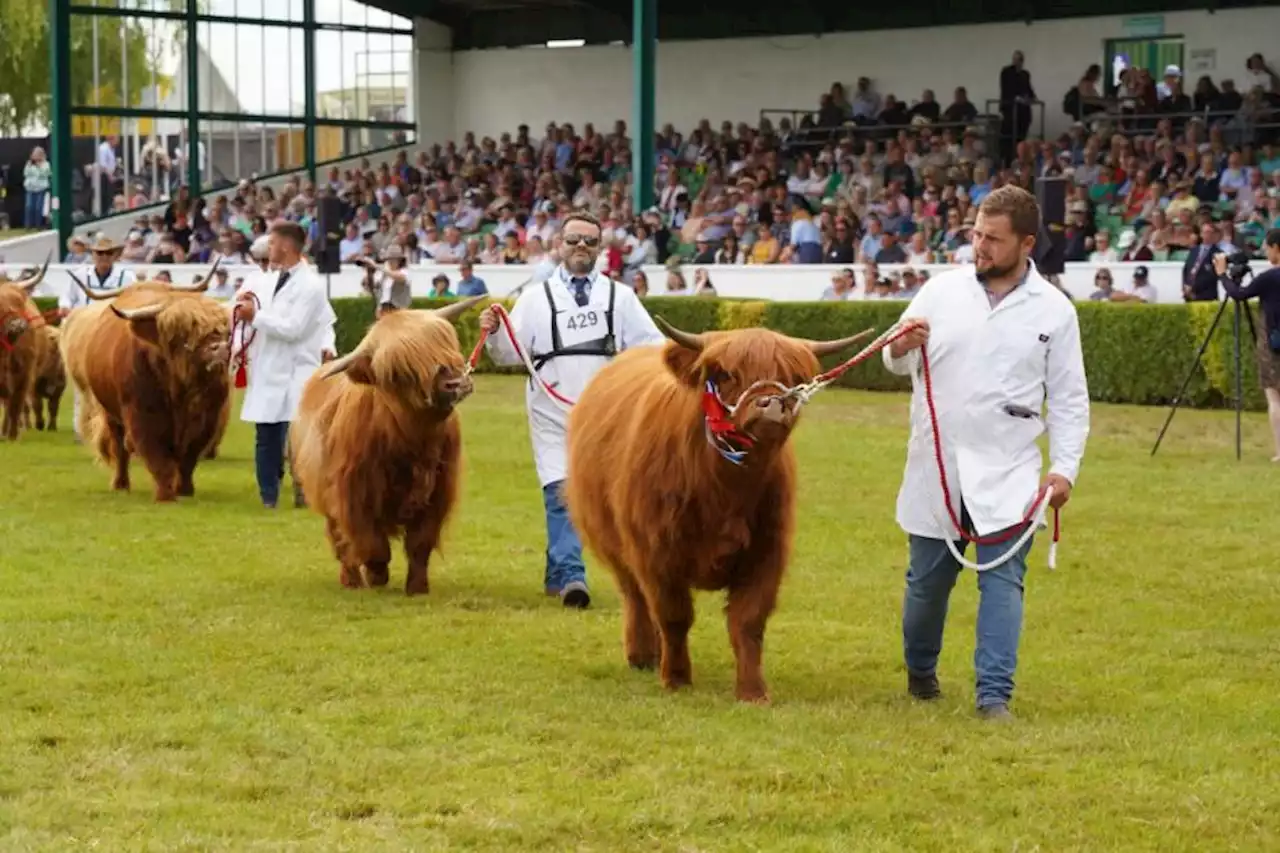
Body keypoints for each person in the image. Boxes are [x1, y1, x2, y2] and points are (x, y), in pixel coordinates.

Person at [880, 185, 1091, 721]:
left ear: (1026, 243)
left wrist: (1063, 469)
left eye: (993, 240)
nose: (980, 247)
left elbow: (1069, 399)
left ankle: (993, 696)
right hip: (938, 464)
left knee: (1003, 579)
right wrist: (900, 348)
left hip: (1010, 468)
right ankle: (920, 671)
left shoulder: (1056, 312)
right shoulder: (940, 292)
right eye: (976, 234)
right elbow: (893, 355)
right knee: (926, 586)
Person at [478, 211, 665, 609]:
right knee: (560, 489)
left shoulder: (621, 297)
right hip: (551, 408)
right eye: (574, 240)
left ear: (600, 249)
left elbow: (652, 347)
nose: (581, 247)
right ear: (559, 245)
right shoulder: (535, 297)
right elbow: (511, 354)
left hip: (607, 415)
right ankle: (571, 576)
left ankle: (558, 570)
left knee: (605, 495)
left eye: (590, 242)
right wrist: (495, 333)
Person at [234, 221, 337, 509]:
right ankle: (269, 497)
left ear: (286, 247)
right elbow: (246, 314)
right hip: (268, 367)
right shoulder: (266, 281)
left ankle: (304, 489)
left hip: (296, 370)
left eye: (272, 244)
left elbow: (294, 328)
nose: (268, 250)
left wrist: (255, 316)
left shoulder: (312, 286)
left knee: (299, 439)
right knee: (265, 437)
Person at [61, 235, 138, 441]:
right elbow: (67, 297)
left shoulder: (127, 277)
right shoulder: (79, 275)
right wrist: (65, 307)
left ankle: (118, 426)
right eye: (99, 253)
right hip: (84, 330)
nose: (103, 257)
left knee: (115, 381)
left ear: (115, 256)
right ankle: (82, 428)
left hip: (111, 332)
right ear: (92, 255)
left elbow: (133, 302)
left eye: (108, 253)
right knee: (81, 380)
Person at [1213, 229, 1280, 461]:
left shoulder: (1270, 277)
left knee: (1274, 397)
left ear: (1276, 248)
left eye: (1267, 248)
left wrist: (1223, 275)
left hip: (1273, 342)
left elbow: (1239, 294)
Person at [359, 244, 411, 318]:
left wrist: (376, 266)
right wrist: (369, 272)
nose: (390, 262)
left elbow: (399, 277)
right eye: (389, 259)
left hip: (399, 309)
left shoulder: (405, 271)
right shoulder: (382, 274)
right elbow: (371, 286)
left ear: (399, 260)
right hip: (384, 309)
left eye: (393, 259)